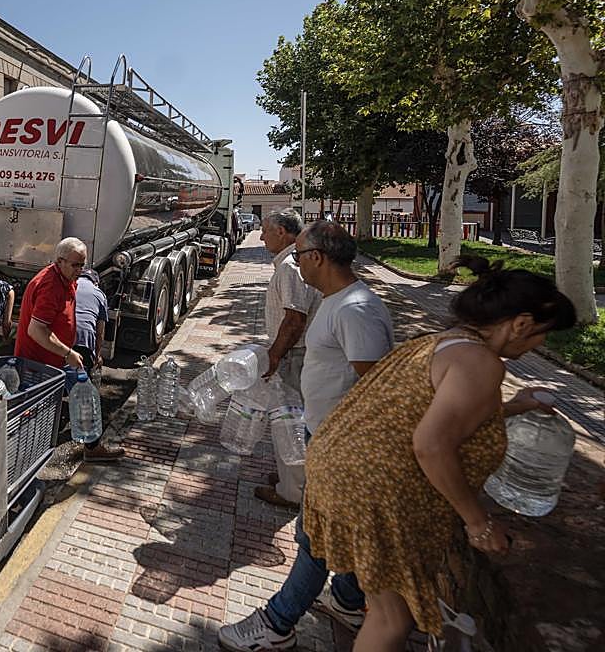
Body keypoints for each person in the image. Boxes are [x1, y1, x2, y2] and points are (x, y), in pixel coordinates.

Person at [303, 258, 574, 649]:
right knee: (392, 619)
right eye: (542, 333)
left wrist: (514, 406)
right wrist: (477, 523)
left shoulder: (443, 341)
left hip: (341, 471)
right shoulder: (481, 363)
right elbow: (432, 445)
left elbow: (441, 410)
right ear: (520, 323)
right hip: (374, 491)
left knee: (385, 608)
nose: (541, 344)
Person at [219, 220, 394, 651]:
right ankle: (350, 600)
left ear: (317, 257)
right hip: (327, 433)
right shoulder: (338, 302)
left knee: (313, 537)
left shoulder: (356, 310)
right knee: (337, 528)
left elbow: (376, 387)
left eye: (299, 254)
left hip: (341, 443)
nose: (295, 263)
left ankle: (276, 624)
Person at [15, 238, 123, 462]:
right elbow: (36, 330)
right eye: (75, 265)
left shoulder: (67, 278)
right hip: (39, 364)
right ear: (59, 261)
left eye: (83, 265)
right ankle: (25, 463)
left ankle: (92, 447)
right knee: (34, 417)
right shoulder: (50, 286)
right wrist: (68, 353)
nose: (80, 270)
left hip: (57, 357)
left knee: (84, 396)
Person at [255, 210, 321, 509]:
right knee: (292, 421)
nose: (260, 236)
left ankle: (292, 491)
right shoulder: (292, 263)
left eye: (265, 230)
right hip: (297, 354)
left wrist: (274, 356)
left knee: (289, 423)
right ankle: (291, 479)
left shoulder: (290, 268)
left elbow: (295, 319)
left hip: (295, 356)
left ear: (281, 232)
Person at [72, 268, 108, 383]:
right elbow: (100, 331)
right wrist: (97, 356)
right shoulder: (100, 294)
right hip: (85, 338)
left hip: (66, 334)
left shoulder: (71, 285)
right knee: (82, 378)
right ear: (95, 282)